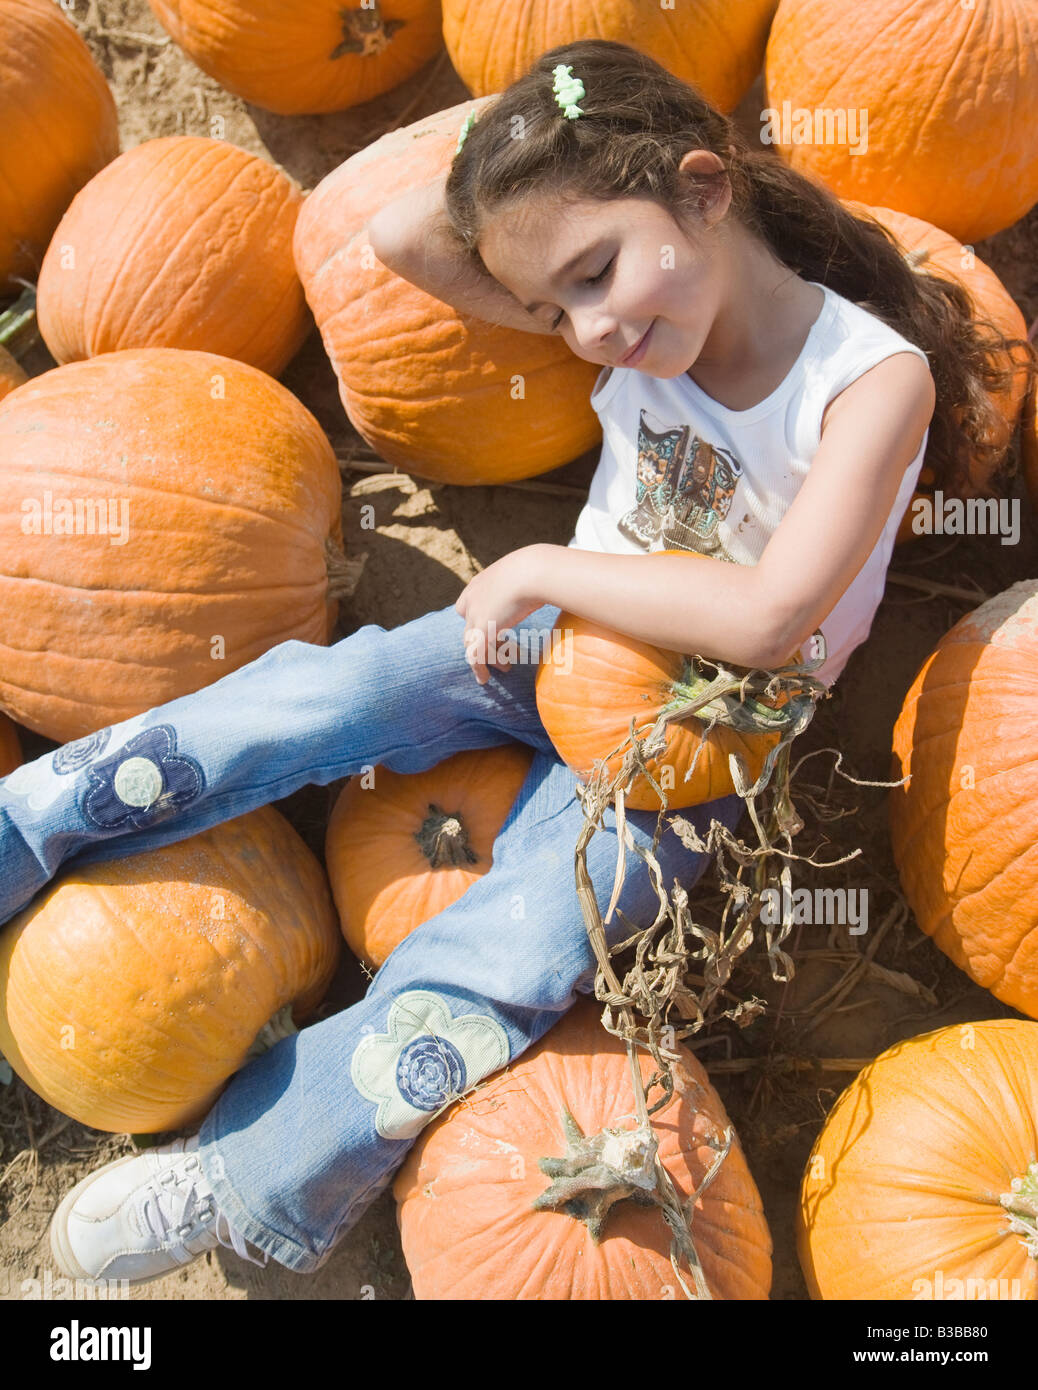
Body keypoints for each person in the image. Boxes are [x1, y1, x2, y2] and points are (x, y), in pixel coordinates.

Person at [1, 38, 1016, 1287]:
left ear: (708, 188)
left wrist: (544, 570)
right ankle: (25, 827)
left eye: (594, 273)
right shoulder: (645, 298)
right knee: (316, 695)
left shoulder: (871, 385)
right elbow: (400, 240)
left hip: (697, 735)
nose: (590, 330)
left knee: (513, 950)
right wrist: (552, 133)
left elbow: (768, 623)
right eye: (552, 307)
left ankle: (247, 1172)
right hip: (552, 646)